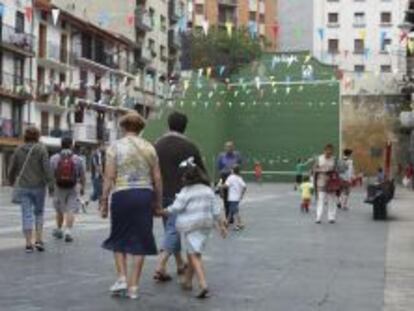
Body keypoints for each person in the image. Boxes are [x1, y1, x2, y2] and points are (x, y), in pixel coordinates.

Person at [100, 112, 162, 300]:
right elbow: (157, 178)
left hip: (122, 194)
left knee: (119, 235)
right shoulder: (150, 147)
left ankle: (121, 278)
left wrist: (104, 200)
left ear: (123, 127)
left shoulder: (115, 147)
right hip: (144, 194)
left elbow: (109, 176)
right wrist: (157, 202)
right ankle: (134, 287)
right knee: (141, 239)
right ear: (141, 128)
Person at [153, 111, 207, 283]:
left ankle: (179, 263)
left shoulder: (157, 145)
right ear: (185, 126)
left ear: (168, 124)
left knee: (171, 227)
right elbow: (201, 171)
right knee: (173, 229)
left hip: (161, 193)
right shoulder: (190, 146)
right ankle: (160, 265)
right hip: (183, 194)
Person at [163, 159, 227, 299]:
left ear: (186, 177)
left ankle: (203, 284)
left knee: (194, 255)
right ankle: (187, 281)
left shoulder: (186, 191)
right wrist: (221, 225)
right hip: (205, 225)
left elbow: (176, 208)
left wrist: (163, 211)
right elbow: (216, 210)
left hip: (191, 225)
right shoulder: (208, 190)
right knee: (194, 251)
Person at [8, 127, 54, 253]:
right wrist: (51, 186)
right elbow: (47, 168)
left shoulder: (18, 149)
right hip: (39, 187)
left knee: (26, 214)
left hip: (23, 186)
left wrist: (11, 181)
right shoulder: (41, 149)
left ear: (26, 136)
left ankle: (28, 244)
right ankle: (39, 240)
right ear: (37, 136)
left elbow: (12, 168)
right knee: (39, 213)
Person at [50, 137, 86, 243]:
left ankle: (59, 229)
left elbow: (51, 175)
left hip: (58, 187)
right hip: (72, 187)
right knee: (70, 210)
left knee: (59, 210)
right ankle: (68, 232)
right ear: (71, 145)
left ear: (61, 145)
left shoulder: (54, 158)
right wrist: (82, 187)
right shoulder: (78, 159)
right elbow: (82, 175)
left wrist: (50, 188)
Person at [217, 141, 242, 222]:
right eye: (227, 147)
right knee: (225, 198)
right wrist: (220, 181)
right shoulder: (221, 156)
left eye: (230, 147)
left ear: (233, 147)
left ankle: (232, 216)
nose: (229, 148)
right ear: (225, 148)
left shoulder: (237, 156)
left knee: (233, 198)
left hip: (234, 179)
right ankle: (229, 216)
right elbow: (219, 168)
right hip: (224, 178)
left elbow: (239, 166)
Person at [313, 144, 338, 224]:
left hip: (331, 182)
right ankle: (318, 217)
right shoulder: (319, 158)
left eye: (330, 152)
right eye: (327, 152)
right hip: (321, 182)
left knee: (332, 200)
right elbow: (314, 169)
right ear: (324, 151)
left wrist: (333, 171)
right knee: (321, 199)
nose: (329, 154)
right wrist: (322, 170)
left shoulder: (334, 159)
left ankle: (331, 217)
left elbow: (336, 170)